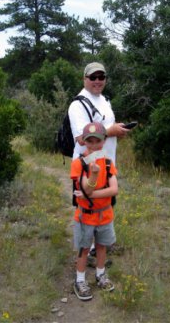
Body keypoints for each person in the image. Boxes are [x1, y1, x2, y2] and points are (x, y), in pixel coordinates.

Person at [70, 121, 118, 301]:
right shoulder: (78, 164)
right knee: (83, 249)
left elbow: (114, 190)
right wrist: (94, 175)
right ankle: (80, 280)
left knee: (101, 247)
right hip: (85, 216)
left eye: (97, 141)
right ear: (83, 141)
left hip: (105, 215)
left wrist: (87, 194)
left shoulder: (107, 162)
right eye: (89, 141)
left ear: (104, 141)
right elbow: (86, 189)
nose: (93, 145)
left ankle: (100, 274)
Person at [68, 62, 129, 165]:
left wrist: (118, 131)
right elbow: (81, 139)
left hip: (107, 166)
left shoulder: (105, 100)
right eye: (93, 77)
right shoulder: (78, 104)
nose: (97, 81)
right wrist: (111, 131)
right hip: (87, 167)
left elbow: (108, 127)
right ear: (84, 79)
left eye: (101, 77)